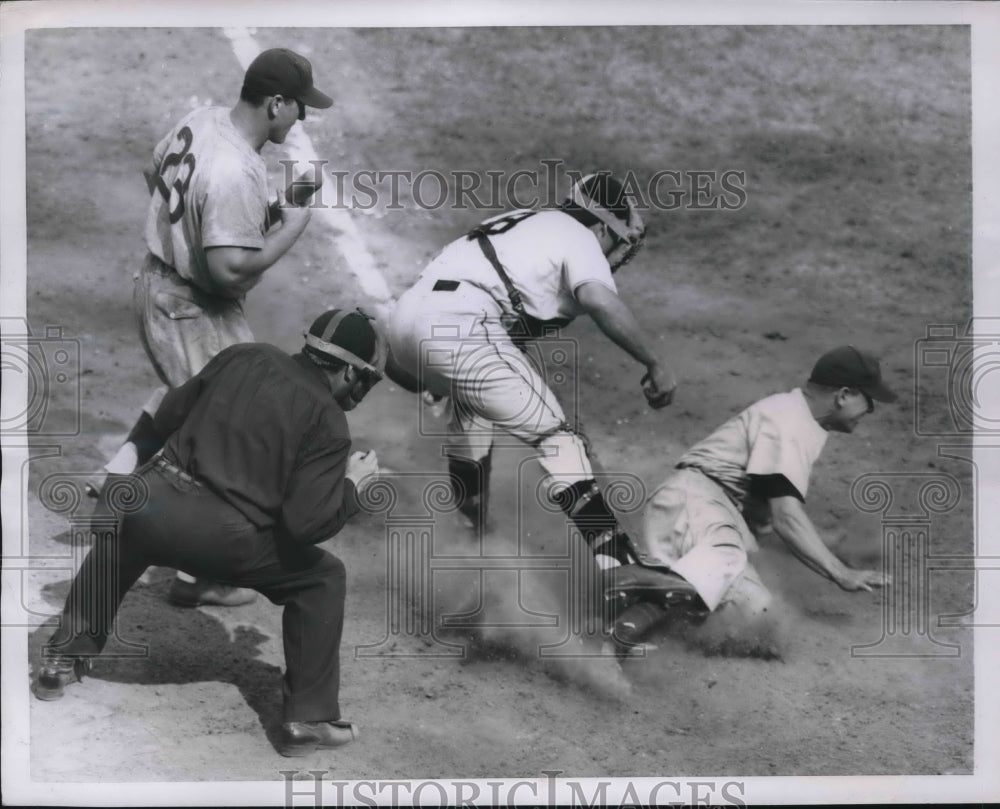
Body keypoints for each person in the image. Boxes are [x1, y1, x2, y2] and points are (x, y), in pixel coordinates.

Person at [34, 309, 383, 757]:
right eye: (366, 379)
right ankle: (307, 719)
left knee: (125, 525)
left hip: (148, 501)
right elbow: (305, 526)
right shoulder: (331, 424)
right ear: (351, 371)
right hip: (224, 542)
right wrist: (351, 488)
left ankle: (61, 658)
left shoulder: (243, 355)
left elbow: (166, 416)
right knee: (322, 578)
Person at [88, 47, 333, 607]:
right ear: (276, 102)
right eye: (300, 107)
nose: (303, 119)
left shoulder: (201, 122)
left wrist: (271, 205)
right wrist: (295, 223)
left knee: (196, 399)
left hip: (160, 287)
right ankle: (204, 572)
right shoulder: (234, 169)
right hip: (192, 307)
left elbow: (162, 178)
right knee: (233, 431)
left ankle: (121, 471)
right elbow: (229, 271)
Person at [386, 172, 676, 570]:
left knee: (473, 414)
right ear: (603, 224)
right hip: (460, 323)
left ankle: (471, 547)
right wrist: (654, 362)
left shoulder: (527, 223)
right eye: (619, 239)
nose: (617, 253)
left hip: (407, 321)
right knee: (559, 438)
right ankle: (621, 568)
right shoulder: (580, 235)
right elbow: (598, 299)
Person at [603, 345, 896, 653]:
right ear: (844, 394)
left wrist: (829, 546)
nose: (871, 410)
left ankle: (629, 622)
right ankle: (627, 597)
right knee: (722, 562)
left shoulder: (798, 421)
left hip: (707, 517)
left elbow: (767, 524)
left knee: (755, 617)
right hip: (695, 504)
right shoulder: (789, 422)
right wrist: (840, 572)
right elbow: (786, 518)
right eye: (869, 400)